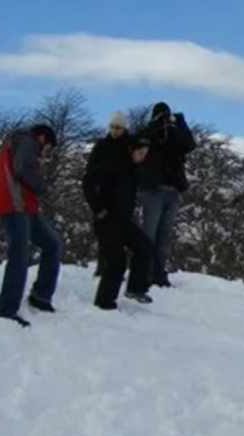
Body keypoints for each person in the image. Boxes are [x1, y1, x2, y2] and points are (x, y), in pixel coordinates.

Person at [0, 124, 63, 327]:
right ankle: (6, 310)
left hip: (25, 207)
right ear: (42, 138)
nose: (45, 152)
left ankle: (41, 296)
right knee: (19, 255)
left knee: (53, 244)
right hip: (14, 205)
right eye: (48, 147)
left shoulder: (20, 142)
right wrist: (42, 187)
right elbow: (21, 168)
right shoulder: (27, 141)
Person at [83, 134, 155, 309]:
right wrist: (98, 209)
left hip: (123, 221)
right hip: (107, 221)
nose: (143, 157)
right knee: (117, 262)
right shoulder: (113, 165)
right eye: (141, 153)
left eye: (145, 154)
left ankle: (135, 288)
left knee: (144, 247)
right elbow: (88, 183)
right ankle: (104, 303)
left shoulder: (134, 169)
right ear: (131, 150)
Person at [139, 102, 195, 288]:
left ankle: (158, 274)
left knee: (163, 237)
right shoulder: (150, 132)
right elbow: (141, 139)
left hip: (172, 190)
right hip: (153, 190)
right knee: (149, 235)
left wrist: (180, 122)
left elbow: (189, 144)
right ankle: (144, 273)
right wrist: (157, 123)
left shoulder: (174, 134)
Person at [91, 111, 131, 278]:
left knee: (120, 236)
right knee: (104, 235)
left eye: (118, 128)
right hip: (103, 196)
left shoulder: (129, 146)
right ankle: (102, 268)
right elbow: (91, 171)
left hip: (123, 198)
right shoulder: (101, 145)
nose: (114, 130)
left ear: (124, 128)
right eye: (112, 127)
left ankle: (116, 269)